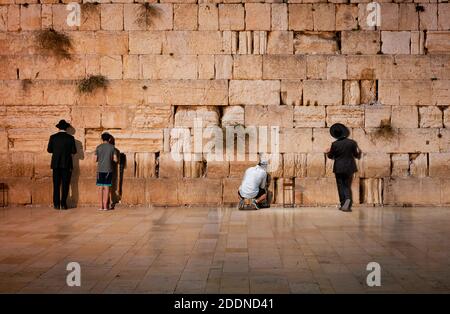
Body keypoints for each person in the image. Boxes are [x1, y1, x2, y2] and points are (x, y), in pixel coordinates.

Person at [326, 123, 361, 212]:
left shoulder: (334, 144)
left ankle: (344, 203)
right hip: (350, 167)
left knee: (340, 185)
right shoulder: (352, 143)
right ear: (344, 132)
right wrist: (359, 152)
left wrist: (328, 152)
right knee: (347, 185)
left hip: (339, 167)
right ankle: (347, 201)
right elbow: (356, 155)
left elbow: (331, 156)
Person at [47, 119, 77, 210]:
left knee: (56, 185)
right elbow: (74, 151)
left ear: (58, 128)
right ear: (66, 128)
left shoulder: (53, 137)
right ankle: (63, 204)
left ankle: (56, 204)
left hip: (56, 164)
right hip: (67, 164)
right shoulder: (70, 138)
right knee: (65, 184)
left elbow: (49, 150)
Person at [95, 132, 118, 211]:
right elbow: (115, 159)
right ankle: (105, 206)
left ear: (102, 139)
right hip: (108, 170)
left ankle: (100, 206)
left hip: (100, 170)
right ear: (109, 139)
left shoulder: (98, 147)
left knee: (100, 187)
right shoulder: (112, 147)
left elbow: (95, 159)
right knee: (107, 187)